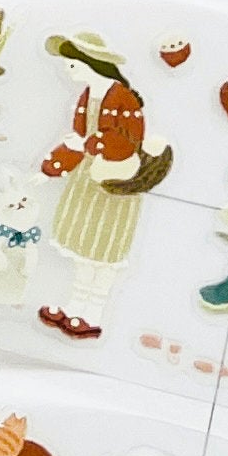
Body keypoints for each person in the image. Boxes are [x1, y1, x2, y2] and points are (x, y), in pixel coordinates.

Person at [29, 34, 171, 340]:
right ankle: (75, 305)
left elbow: (128, 141)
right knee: (82, 244)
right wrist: (51, 169)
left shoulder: (123, 98)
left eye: (72, 63)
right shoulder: (86, 95)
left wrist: (92, 143)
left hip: (113, 182)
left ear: (91, 63)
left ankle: (93, 312)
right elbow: (77, 139)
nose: (68, 69)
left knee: (104, 249)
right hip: (86, 179)